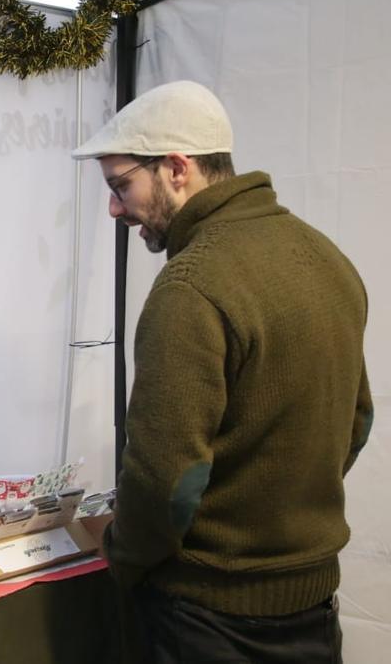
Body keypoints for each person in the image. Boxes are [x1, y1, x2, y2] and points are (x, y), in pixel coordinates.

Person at [72, 80, 372, 662]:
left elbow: (165, 481)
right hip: (313, 608)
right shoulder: (328, 258)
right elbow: (356, 422)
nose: (114, 208)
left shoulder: (190, 288)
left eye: (120, 185)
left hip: (211, 621)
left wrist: (121, 554)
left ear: (177, 167)